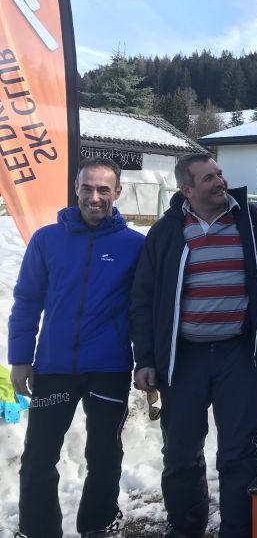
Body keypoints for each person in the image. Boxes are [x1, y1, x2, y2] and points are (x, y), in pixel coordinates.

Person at [129, 153, 257, 538]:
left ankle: (239, 530)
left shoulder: (251, 221)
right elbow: (143, 298)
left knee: (240, 452)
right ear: (186, 189)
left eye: (220, 174)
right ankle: (186, 529)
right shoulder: (166, 232)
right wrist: (145, 358)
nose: (220, 182)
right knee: (181, 453)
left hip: (239, 354)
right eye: (208, 178)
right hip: (184, 357)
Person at [8, 157, 145, 537]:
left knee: (104, 453)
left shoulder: (135, 246)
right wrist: (20, 359)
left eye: (103, 189)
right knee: (38, 456)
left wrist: (147, 361)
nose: (94, 197)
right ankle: (37, 530)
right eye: (87, 188)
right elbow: (27, 301)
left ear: (118, 192)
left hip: (109, 369)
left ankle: (98, 524)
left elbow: (144, 310)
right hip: (54, 370)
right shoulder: (47, 240)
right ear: (76, 189)